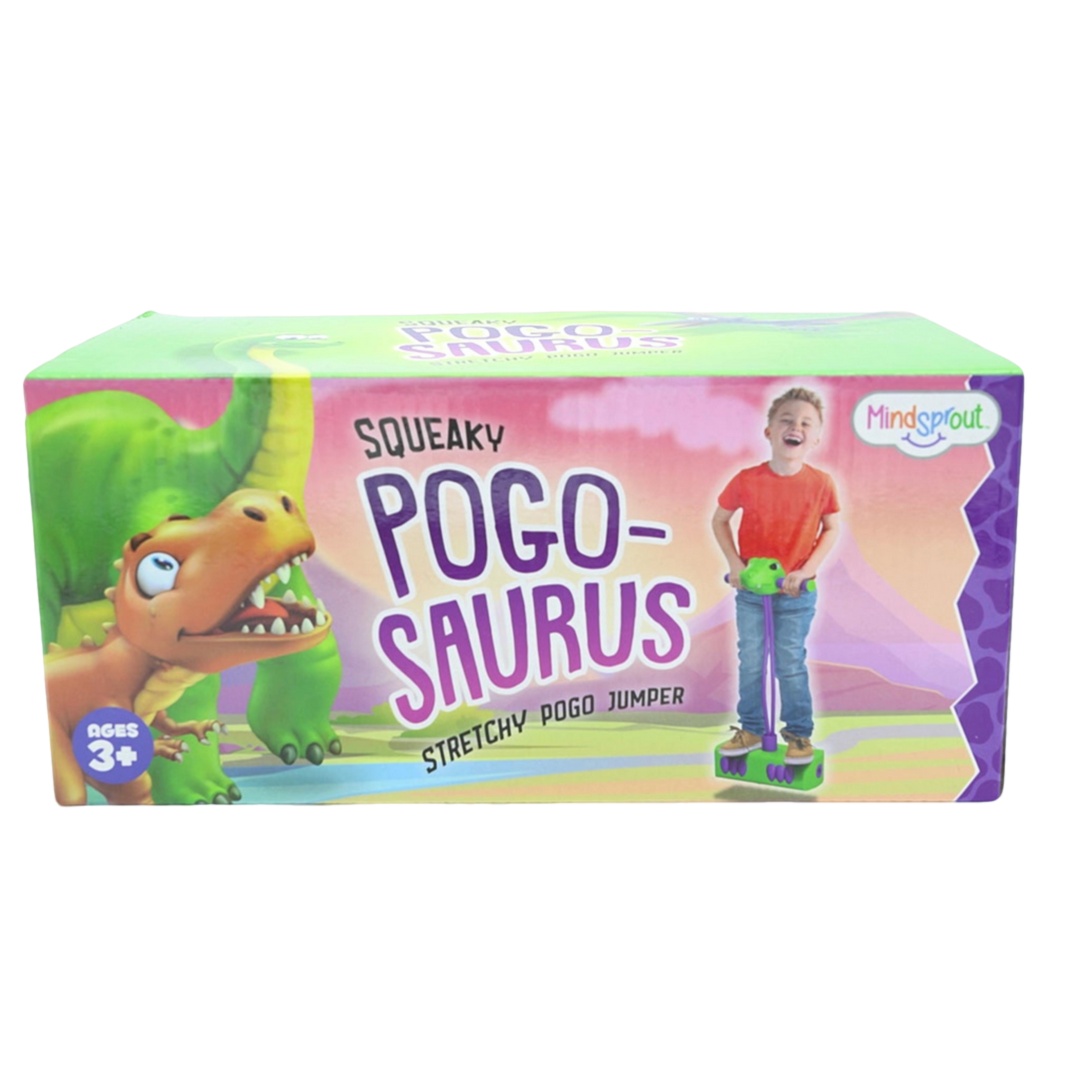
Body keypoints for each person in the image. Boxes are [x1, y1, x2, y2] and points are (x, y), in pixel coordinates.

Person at [711, 388, 841, 765]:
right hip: (753, 592)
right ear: (769, 431)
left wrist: (807, 570)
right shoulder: (746, 480)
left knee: (789, 662)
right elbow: (719, 520)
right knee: (751, 660)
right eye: (786, 420)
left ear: (815, 438)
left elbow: (831, 528)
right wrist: (736, 565)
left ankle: (798, 734)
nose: (795, 426)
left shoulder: (821, 483)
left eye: (805, 423)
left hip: (797, 594)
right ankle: (751, 728)